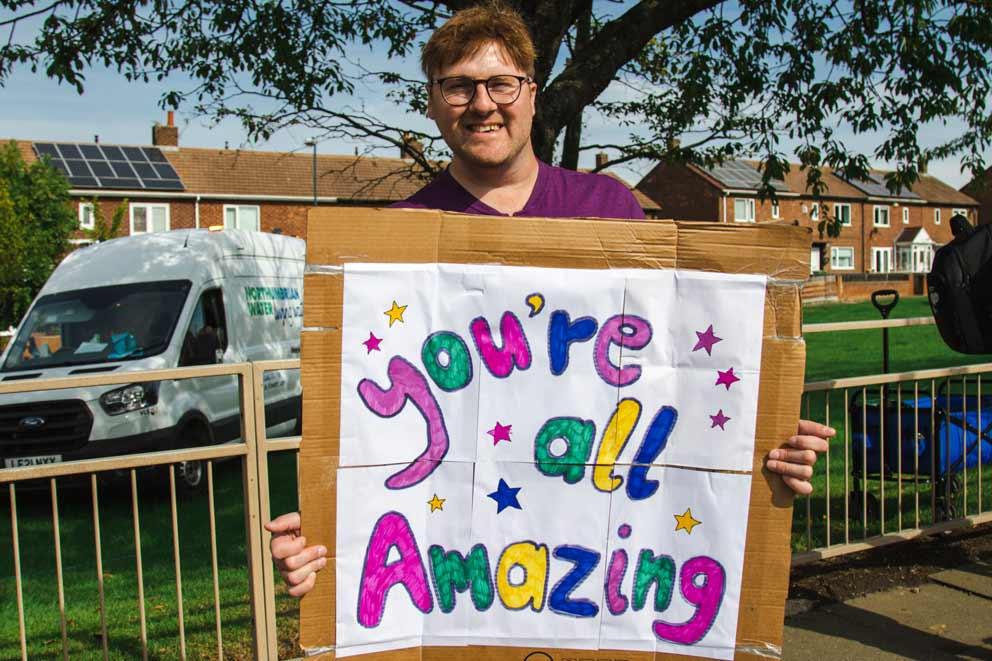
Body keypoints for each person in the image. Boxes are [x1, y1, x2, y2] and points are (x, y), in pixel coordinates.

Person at [266, 1, 833, 598]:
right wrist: (326, 530)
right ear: (432, 103)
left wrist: (761, 436)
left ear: (532, 94)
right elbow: (365, 426)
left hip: (598, 573)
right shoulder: (395, 246)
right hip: (462, 575)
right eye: (458, 87)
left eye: (501, 84)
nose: (483, 103)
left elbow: (671, 376)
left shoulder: (610, 211)